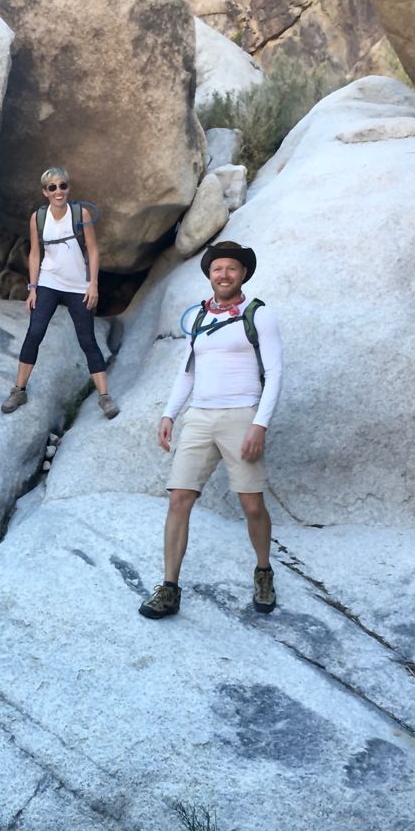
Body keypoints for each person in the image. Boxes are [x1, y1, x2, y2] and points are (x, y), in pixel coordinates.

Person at [139, 240, 283, 618]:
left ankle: (263, 571)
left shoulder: (259, 315)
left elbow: (276, 374)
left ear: (243, 274)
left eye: (232, 269)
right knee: (178, 499)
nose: (224, 275)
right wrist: (170, 413)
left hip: (241, 415)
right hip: (200, 417)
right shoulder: (200, 319)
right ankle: (169, 587)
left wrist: (259, 424)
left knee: (252, 505)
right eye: (218, 268)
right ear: (209, 274)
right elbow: (188, 372)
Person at [0, 167, 119, 419]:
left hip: (78, 286)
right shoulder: (38, 218)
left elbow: (94, 251)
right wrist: (32, 288)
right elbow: (35, 253)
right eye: (52, 187)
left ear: (68, 188)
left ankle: (104, 397)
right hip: (48, 283)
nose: (58, 191)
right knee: (35, 333)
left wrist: (93, 284)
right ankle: (19, 390)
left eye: (62, 186)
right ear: (45, 192)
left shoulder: (80, 213)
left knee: (87, 340)